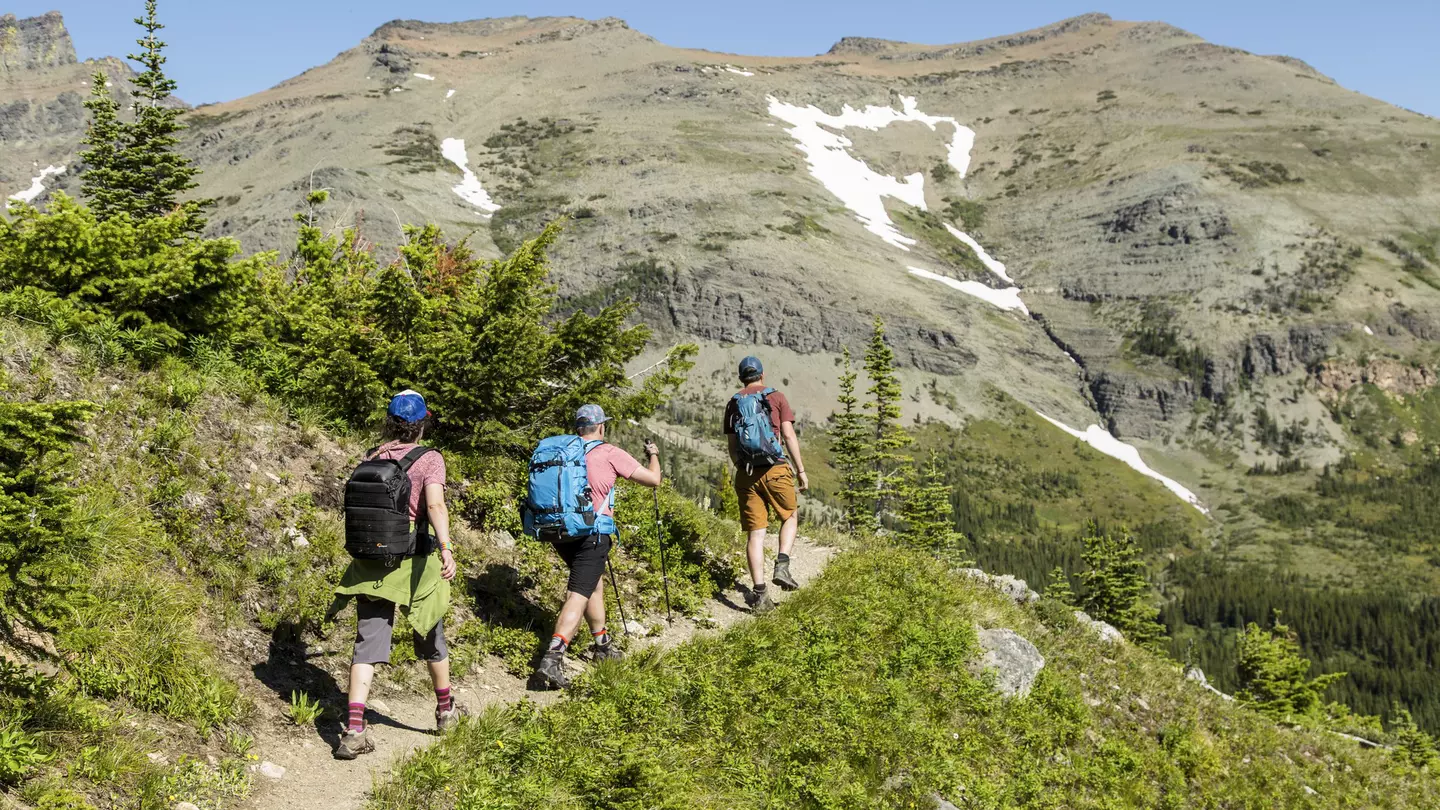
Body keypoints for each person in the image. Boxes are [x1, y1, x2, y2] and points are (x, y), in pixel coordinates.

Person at [332, 391, 461, 760]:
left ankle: (354, 730)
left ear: (390, 422)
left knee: (366, 644)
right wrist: (447, 548)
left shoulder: (372, 456)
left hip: (370, 563)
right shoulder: (430, 459)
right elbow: (434, 504)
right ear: (422, 424)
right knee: (431, 633)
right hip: (414, 563)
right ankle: (445, 711)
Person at [534, 404, 662, 689]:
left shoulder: (565, 451)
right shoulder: (609, 452)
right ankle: (553, 657)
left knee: (592, 584)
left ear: (578, 428)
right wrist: (653, 455)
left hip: (560, 531)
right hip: (592, 532)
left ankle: (602, 644)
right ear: (601, 427)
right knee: (578, 593)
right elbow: (654, 480)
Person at [724, 356, 809, 613]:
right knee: (790, 516)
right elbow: (788, 435)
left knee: (756, 533)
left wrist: (743, 469)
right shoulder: (776, 397)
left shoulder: (734, 403)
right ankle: (782, 564)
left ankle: (760, 595)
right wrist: (801, 470)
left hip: (747, 473)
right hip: (776, 468)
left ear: (741, 378)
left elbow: (731, 446)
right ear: (762, 374)